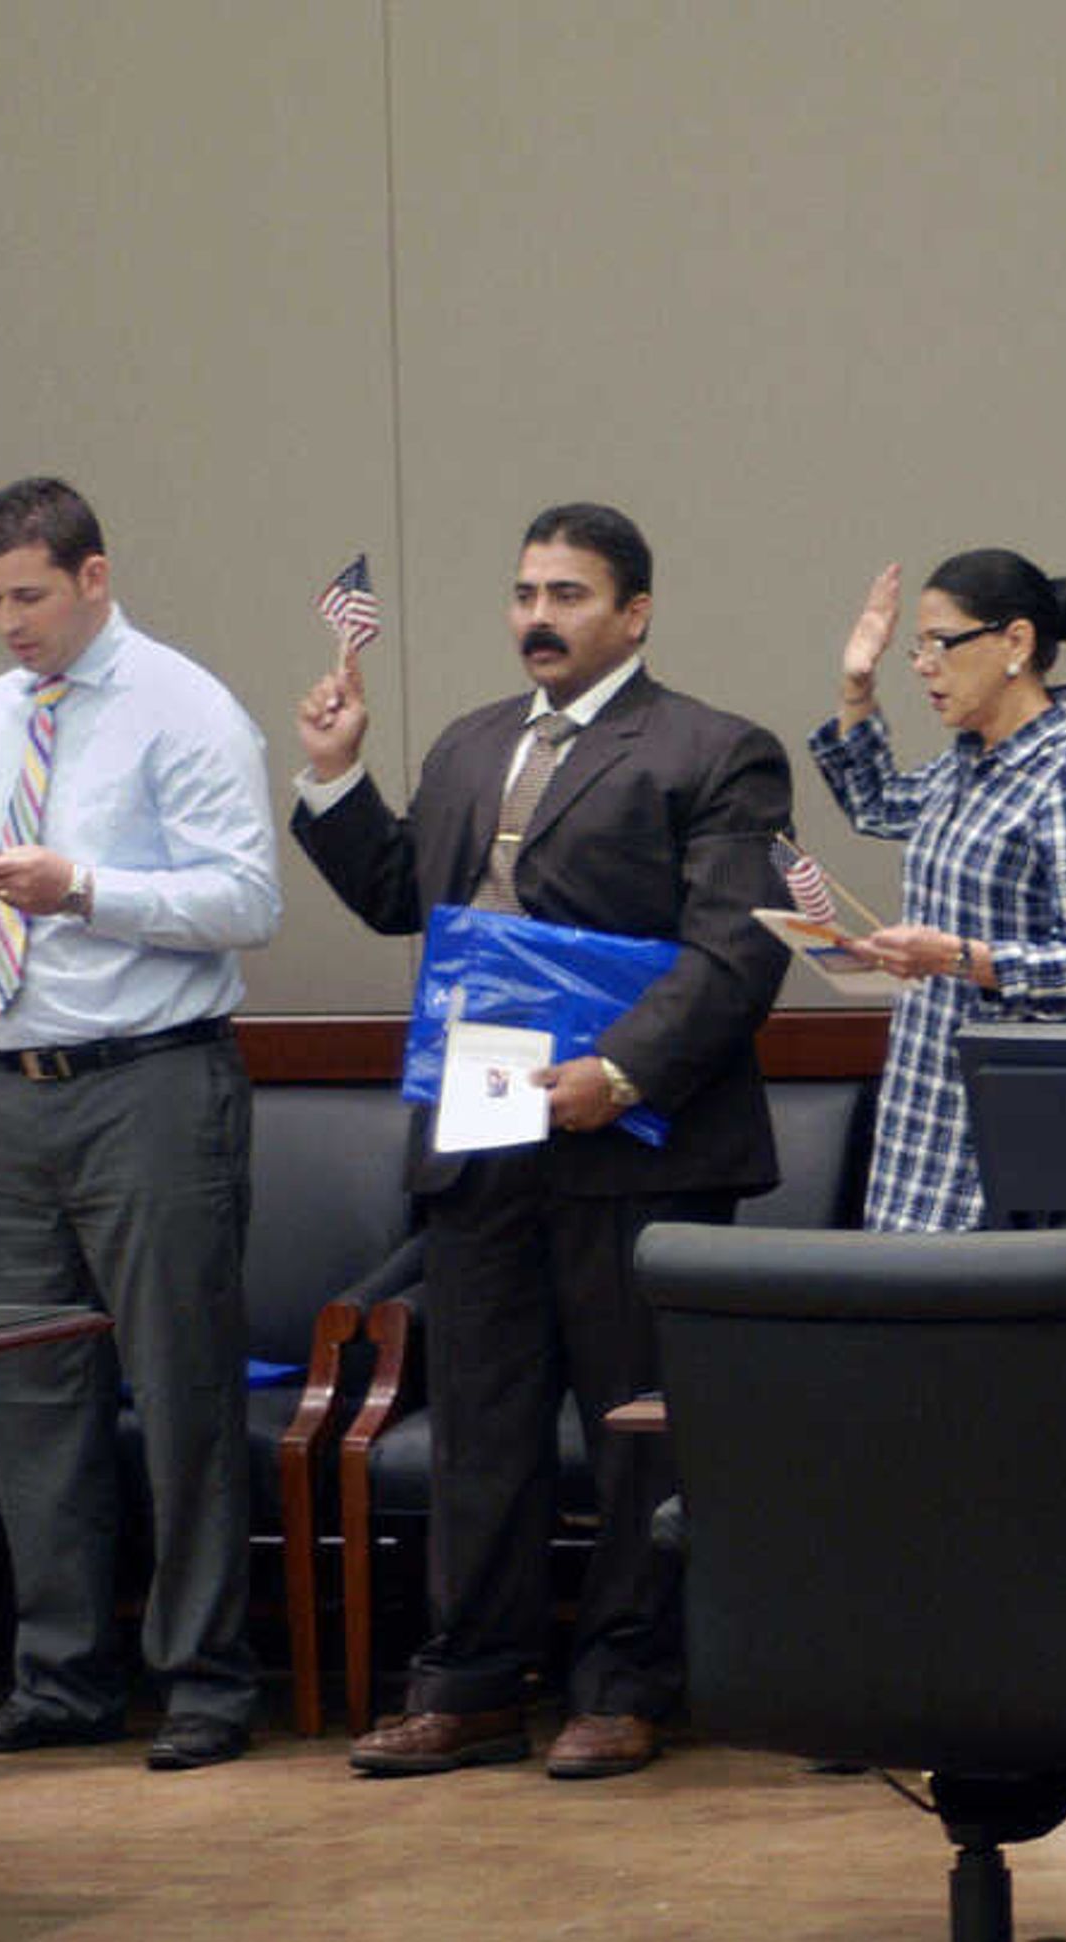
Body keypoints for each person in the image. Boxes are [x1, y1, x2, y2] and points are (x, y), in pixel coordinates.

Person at [292, 502, 791, 1781]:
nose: (538, 618)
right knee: (483, 1426)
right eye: (524, 594)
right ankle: (467, 1686)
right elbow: (406, 891)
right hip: (483, 1128)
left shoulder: (715, 749)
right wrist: (338, 779)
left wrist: (620, 1072)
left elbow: (736, 945)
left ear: (633, 613)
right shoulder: (468, 744)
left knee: (635, 1434)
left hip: (638, 1141)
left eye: (567, 596)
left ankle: (625, 1682)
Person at [0, 477, 281, 1772]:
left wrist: (84, 886)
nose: (8, 621)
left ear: (94, 575)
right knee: (32, 1391)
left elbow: (248, 899)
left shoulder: (184, 707)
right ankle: (63, 1676)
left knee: (184, 1387)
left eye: (28, 594)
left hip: (153, 1080)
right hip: (16, 1089)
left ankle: (203, 1680)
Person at [809, 550, 1066, 1231]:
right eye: (917, 649)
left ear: (1015, 642)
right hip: (918, 1114)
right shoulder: (965, 762)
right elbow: (873, 803)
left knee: (979, 1327)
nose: (925, 666)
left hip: (1003, 1126)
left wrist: (958, 957)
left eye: (941, 643)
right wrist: (856, 684)